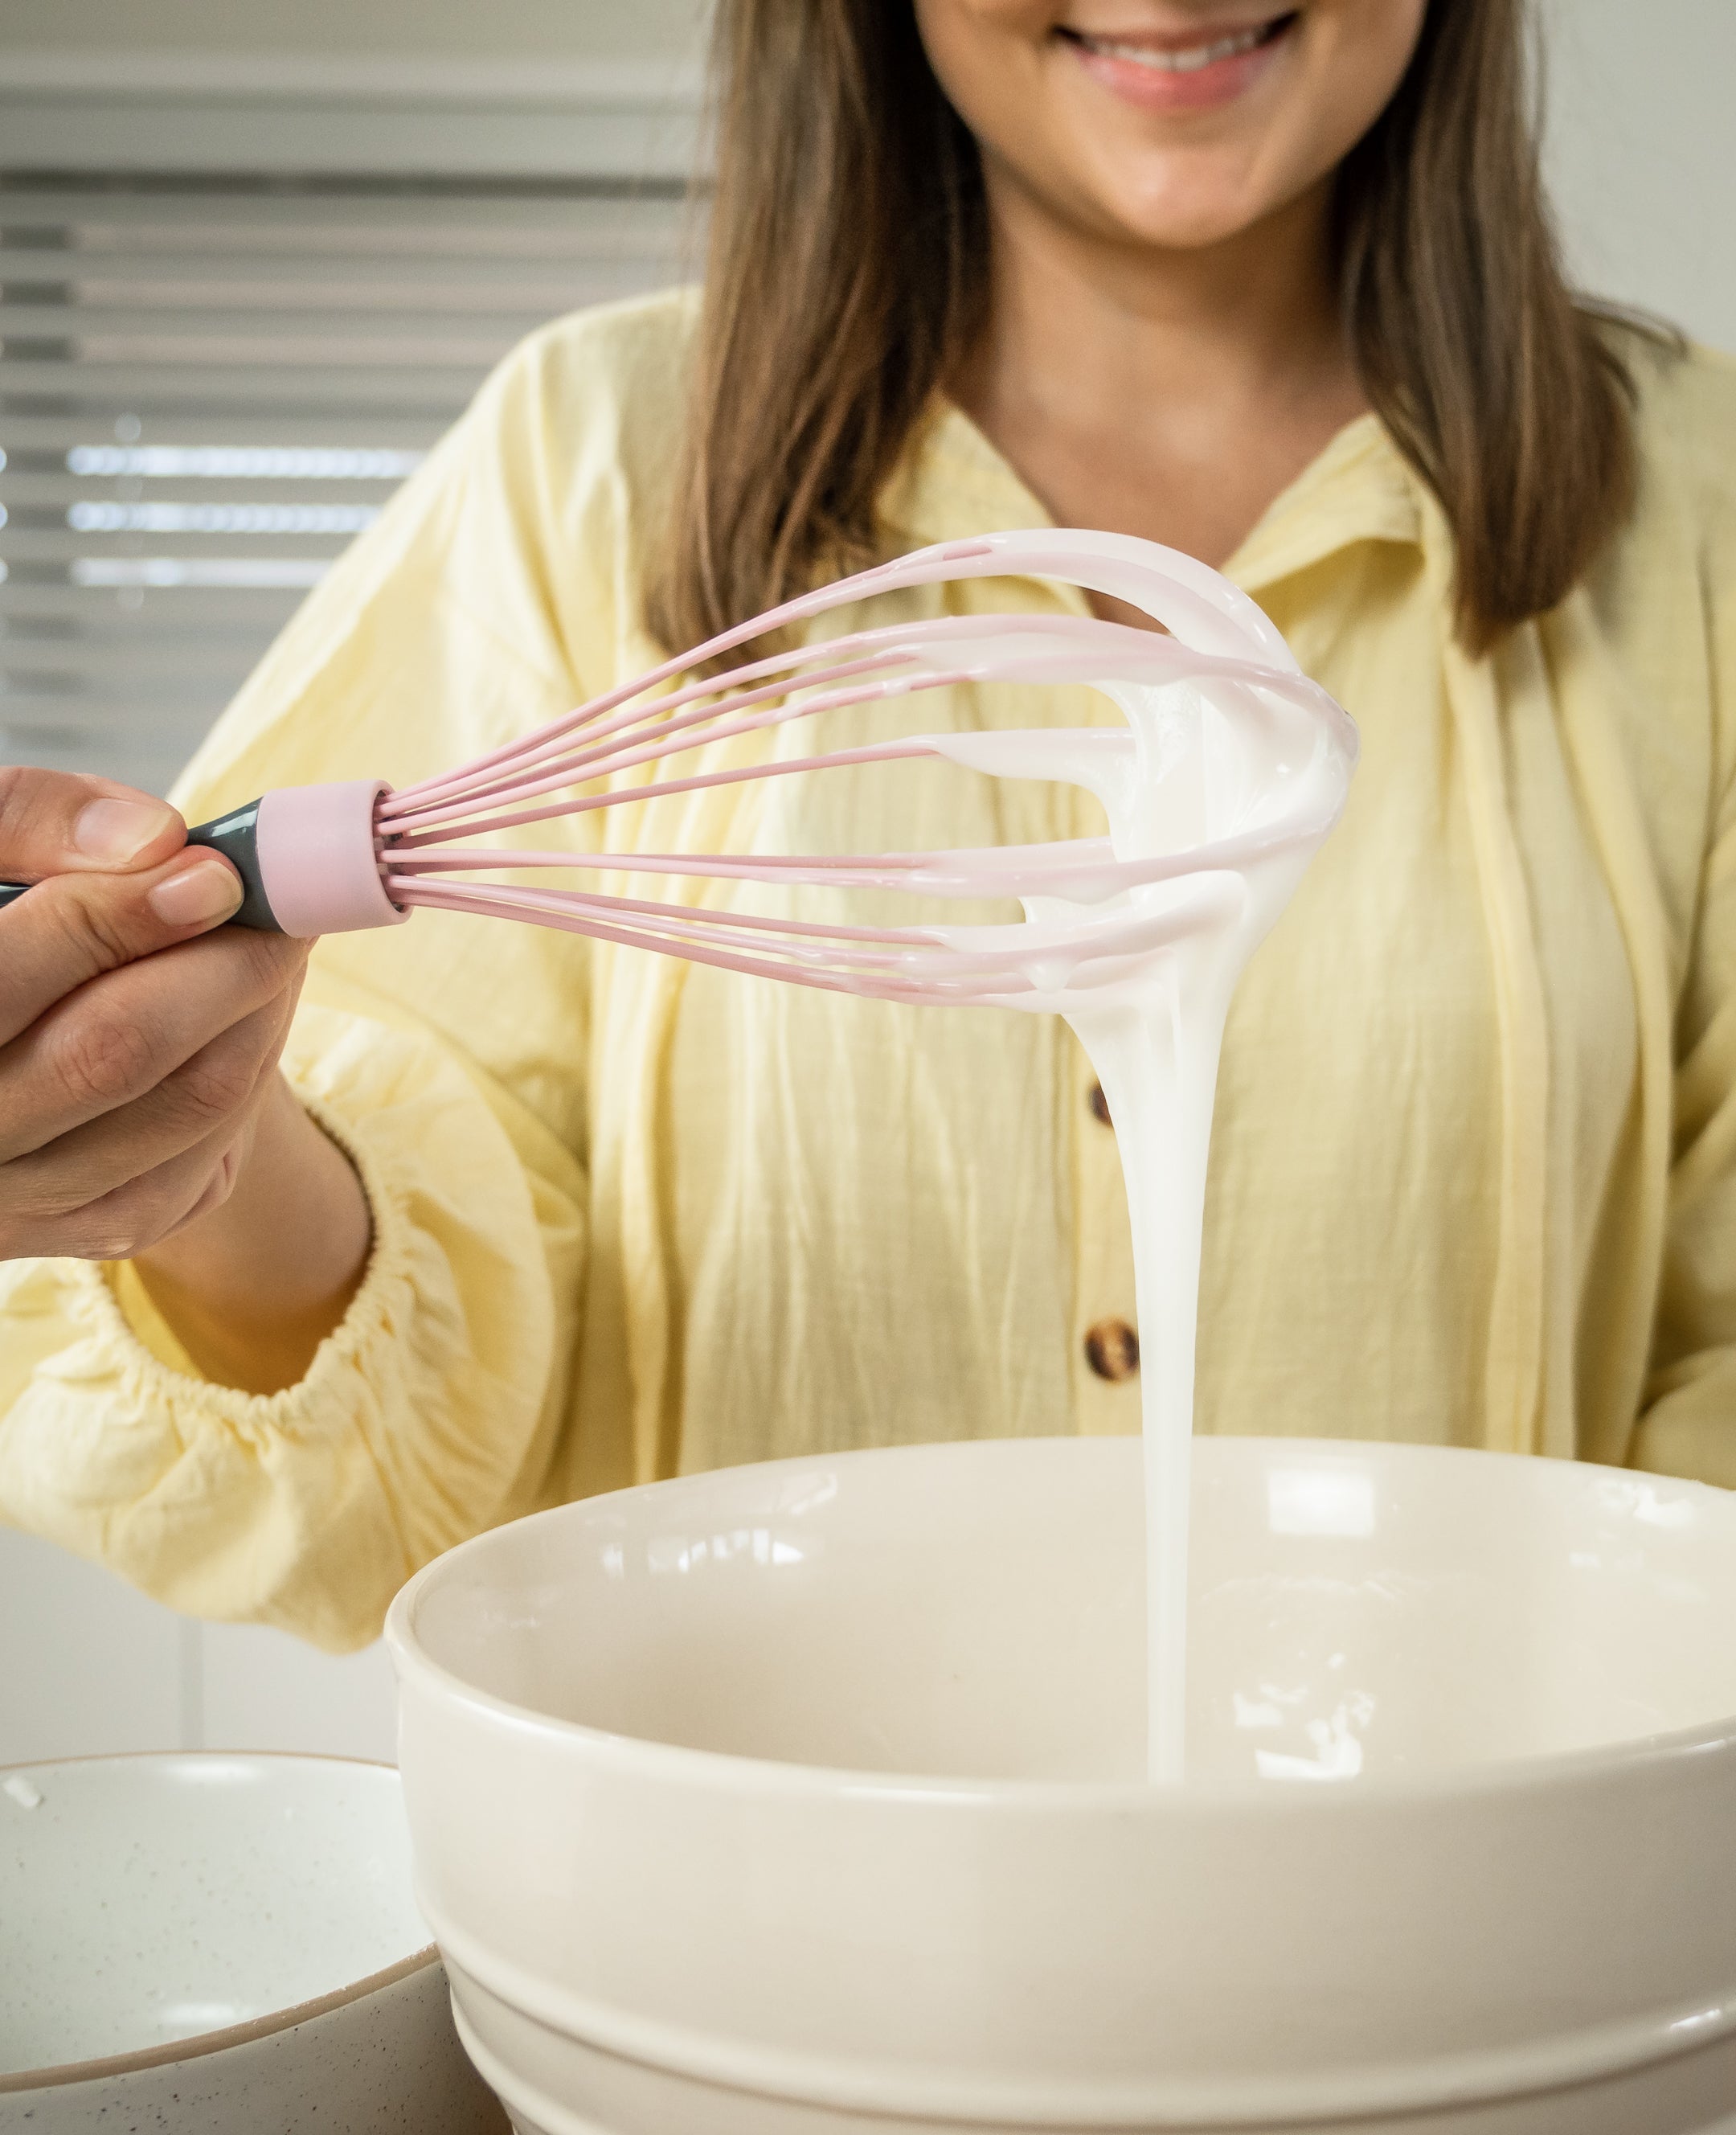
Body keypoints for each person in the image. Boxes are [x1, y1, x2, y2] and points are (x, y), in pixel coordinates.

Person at [1, 0, 1730, 1653]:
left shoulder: (1700, 512)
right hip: (730, 1940)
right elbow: (404, 1424)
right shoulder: (585, 465)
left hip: (1490, 1945)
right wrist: (186, 1141)